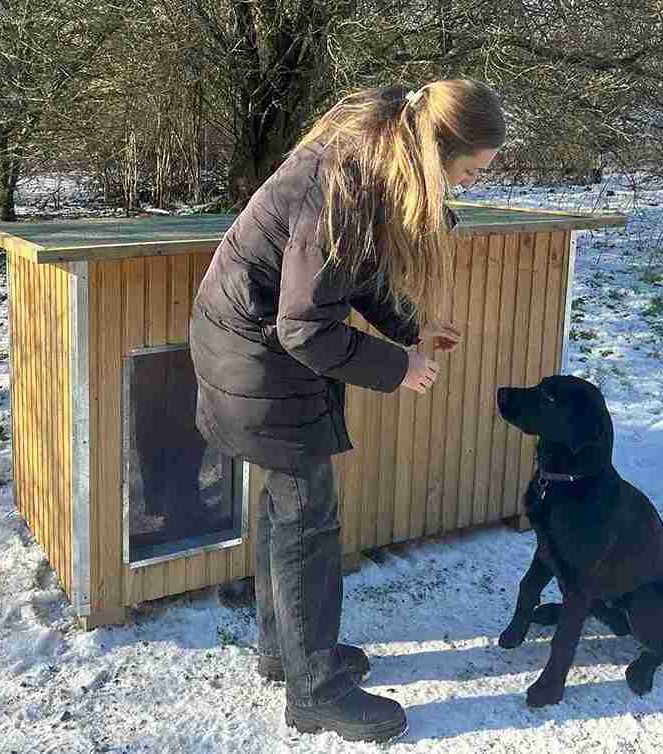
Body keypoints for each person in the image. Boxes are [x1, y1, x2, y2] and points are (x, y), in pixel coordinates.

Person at [189, 79, 505, 742]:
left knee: (289, 512)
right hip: (260, 357)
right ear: (433, 154)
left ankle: (288, 655)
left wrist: (409, 326)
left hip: (253, 347)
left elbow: (349, 275)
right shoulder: (342, 187)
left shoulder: (362, 166)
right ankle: (315, 692)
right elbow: (306, 327)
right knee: (308, 522)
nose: (469, 186)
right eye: (469, 172)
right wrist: (400, 368)